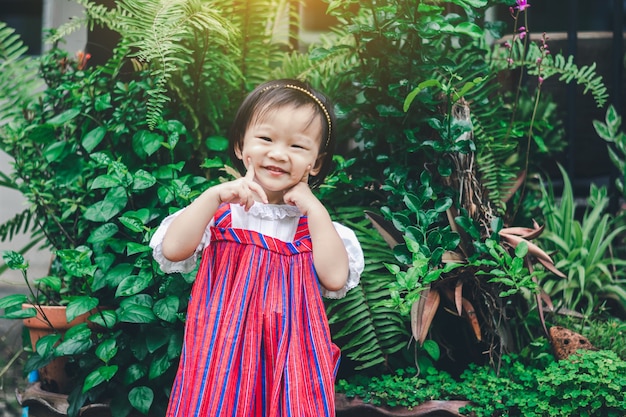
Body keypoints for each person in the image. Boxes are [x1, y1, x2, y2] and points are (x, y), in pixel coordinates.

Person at [150, 79, 364, 417]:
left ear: (316, 163)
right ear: (240, 145)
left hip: (291, 359)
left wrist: (316, 210)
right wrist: (213, 196)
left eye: (297, 146)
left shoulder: (316, 226)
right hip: (222, 353)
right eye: (266, 139)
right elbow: (174, 249)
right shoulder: (221, 213)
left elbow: (336, 278)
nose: (278, 154)